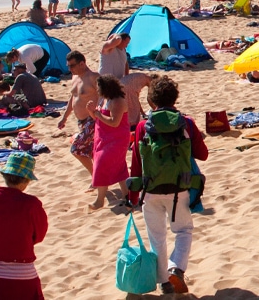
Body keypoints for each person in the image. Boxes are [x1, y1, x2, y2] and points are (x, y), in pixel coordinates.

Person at [122, 77, 207, 294]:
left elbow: (137, 163)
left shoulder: (143, 126)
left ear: (151, 101)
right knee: (184, 230)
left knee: (156, 237)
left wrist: (133, 197)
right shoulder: (185, 123)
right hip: (180, 188)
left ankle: (164, 281)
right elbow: (203, 155)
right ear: (175, 98)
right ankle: (176, 268)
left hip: (150, 191)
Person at [0, 152, 48, 300]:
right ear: (26, 180)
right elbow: (39, 236)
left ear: (5, 175)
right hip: (22, 276)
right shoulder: (31, 204)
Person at [86, 76, 133, 211]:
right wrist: (91, 111)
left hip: (116, 140)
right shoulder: (106, 99)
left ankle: (99, 200)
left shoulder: (118, 101)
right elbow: (98, 118)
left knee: (101, 166)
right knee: (119, 167)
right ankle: (127, 196)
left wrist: (97, 114)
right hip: (104, 138)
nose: (97, 90)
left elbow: (114, 122)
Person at [57, 51, 99, 175]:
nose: (70, 69)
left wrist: (98, 115)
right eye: (68, 66)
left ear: (82, 63)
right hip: (81, 121)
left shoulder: (93, 77)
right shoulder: (75, 77)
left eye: (72, 66)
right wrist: (64, 117)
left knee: (76, 149)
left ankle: (95, 177)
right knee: (90, 151)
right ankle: (99, 178)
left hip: (92, 119)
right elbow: (73, 98)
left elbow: (104, 97)